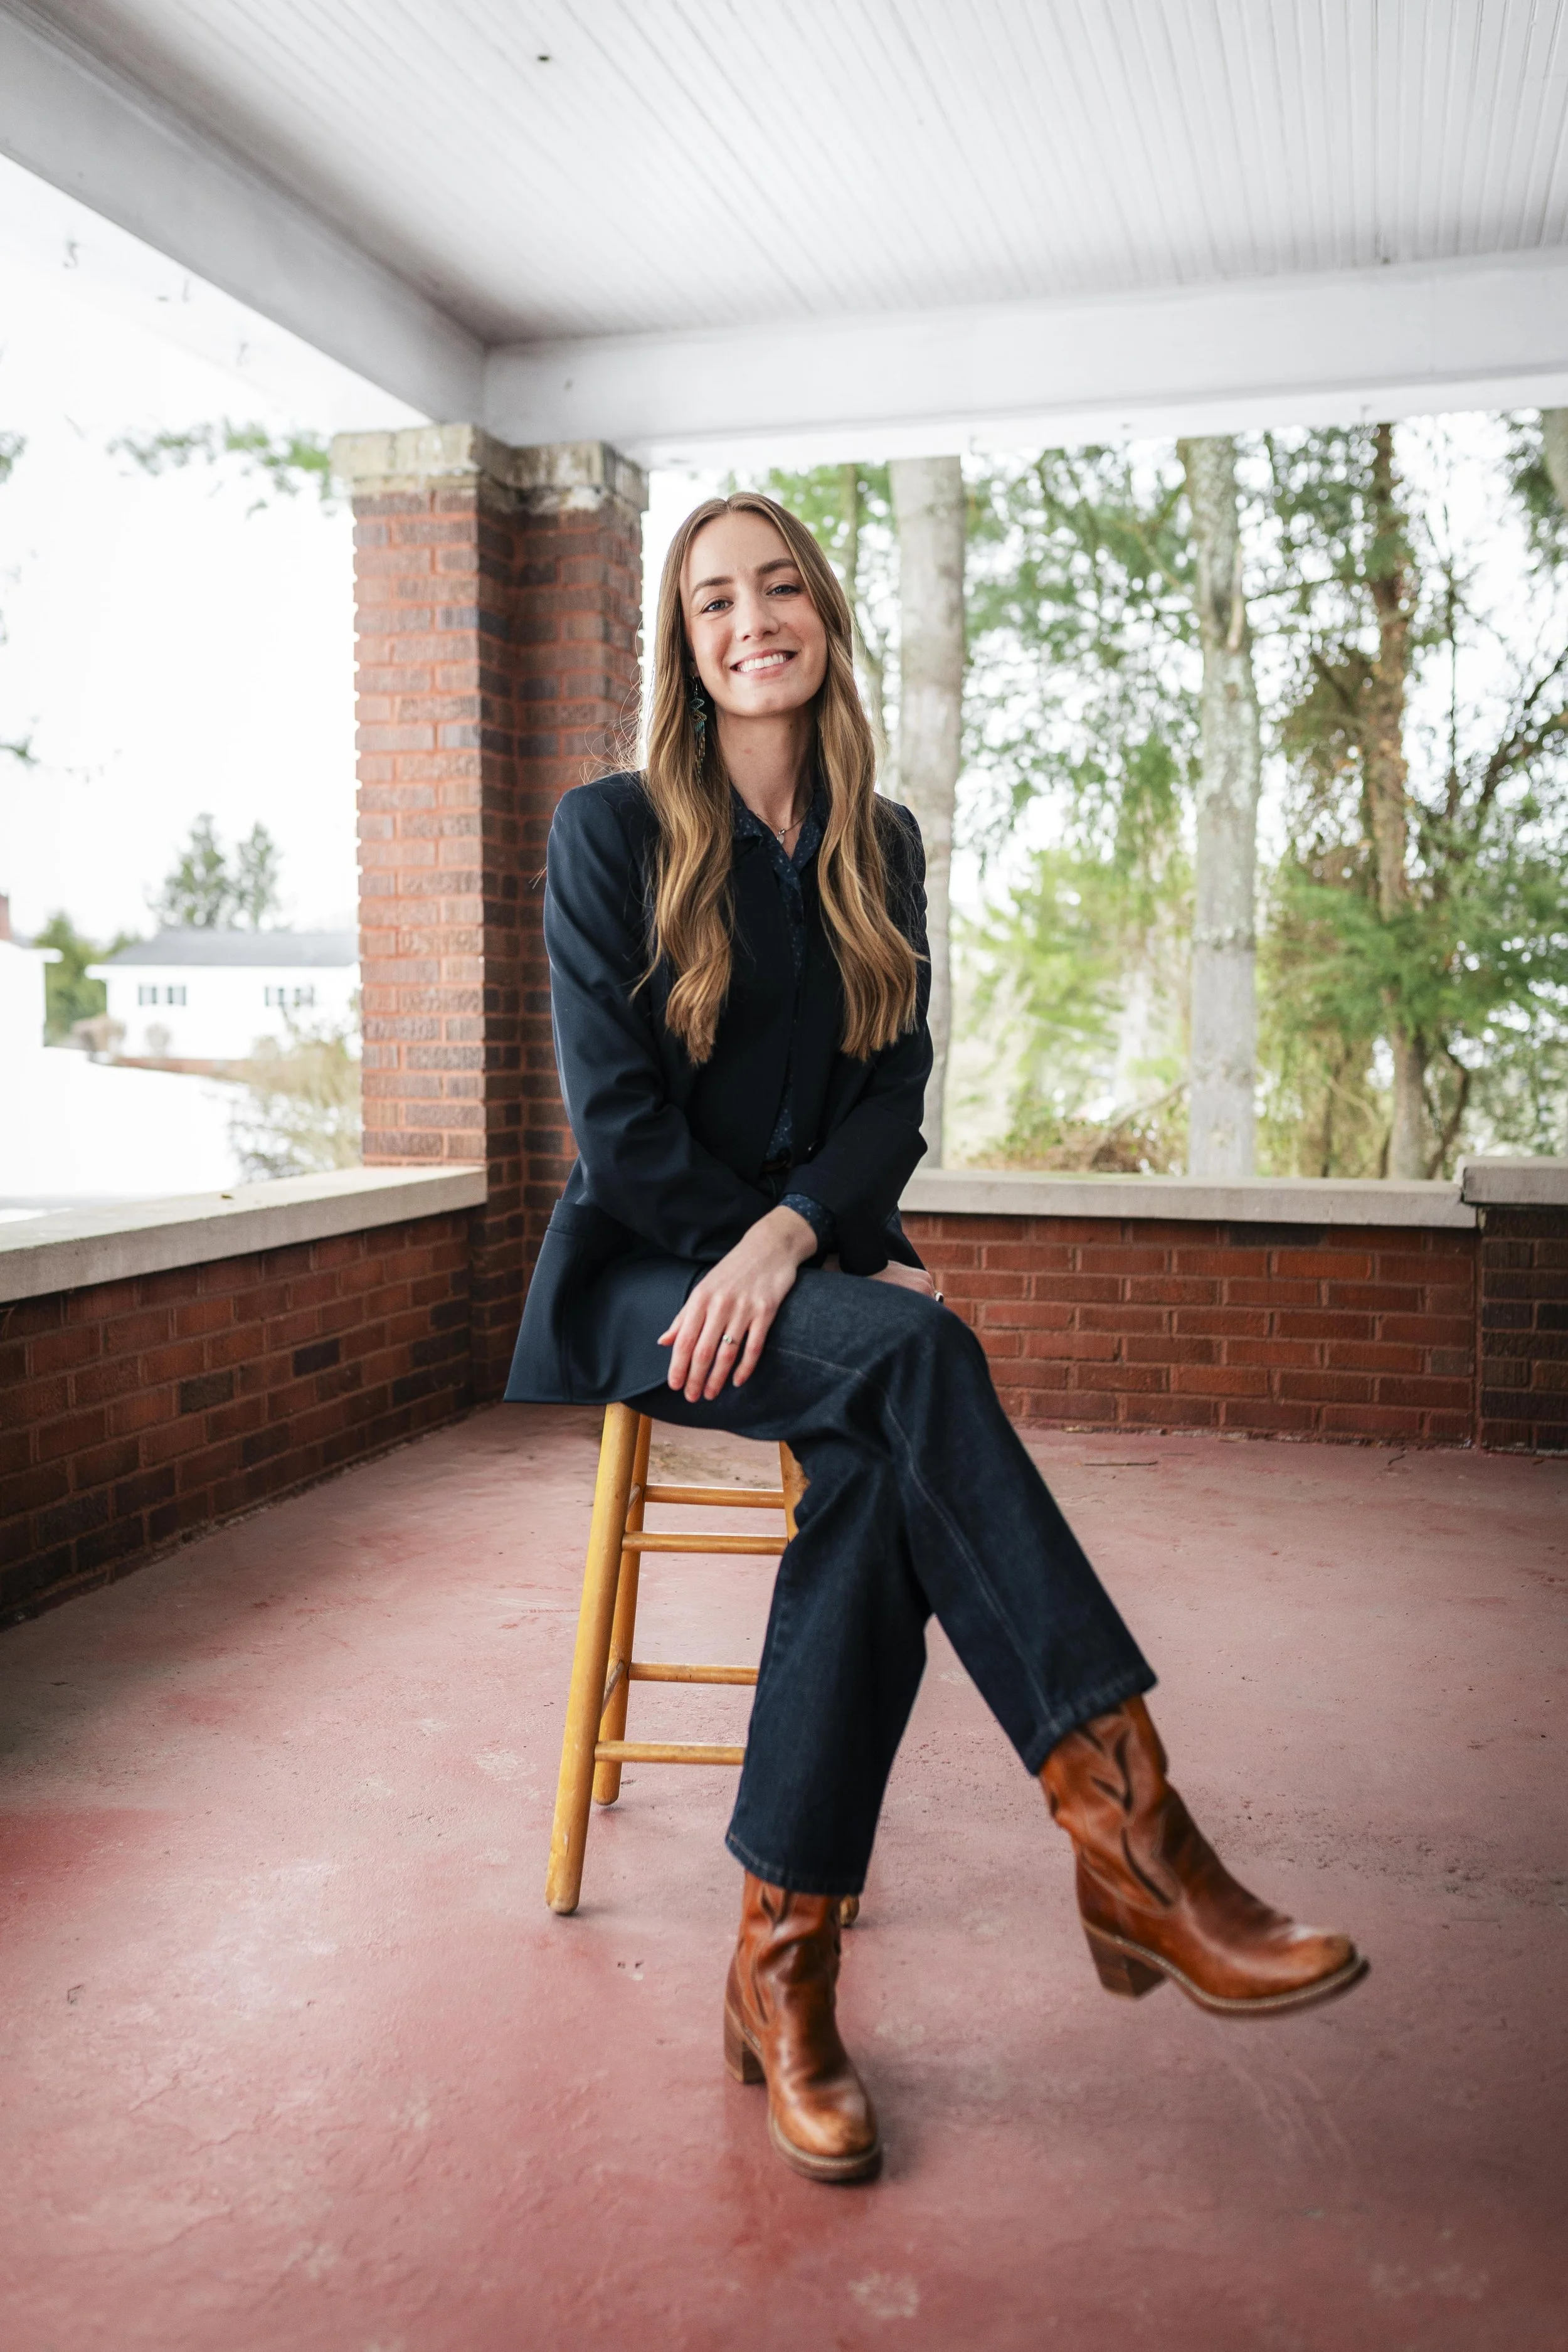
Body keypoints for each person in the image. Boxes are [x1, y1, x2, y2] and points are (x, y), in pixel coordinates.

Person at [506, 491, 1365, 2186]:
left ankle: (783, 1970)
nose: (751, 620)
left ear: (822, 614)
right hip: (644, 1273)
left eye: (778, 588)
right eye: (711, 604)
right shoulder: (609, 832)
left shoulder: (874, 843)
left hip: (800, 1260)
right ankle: (1138, 1842)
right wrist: (754, 1247)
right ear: (685, 651)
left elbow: (893, 1091)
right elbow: (615, 1123)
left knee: (882, 1463)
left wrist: (804, 1238)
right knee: (918, 1363)